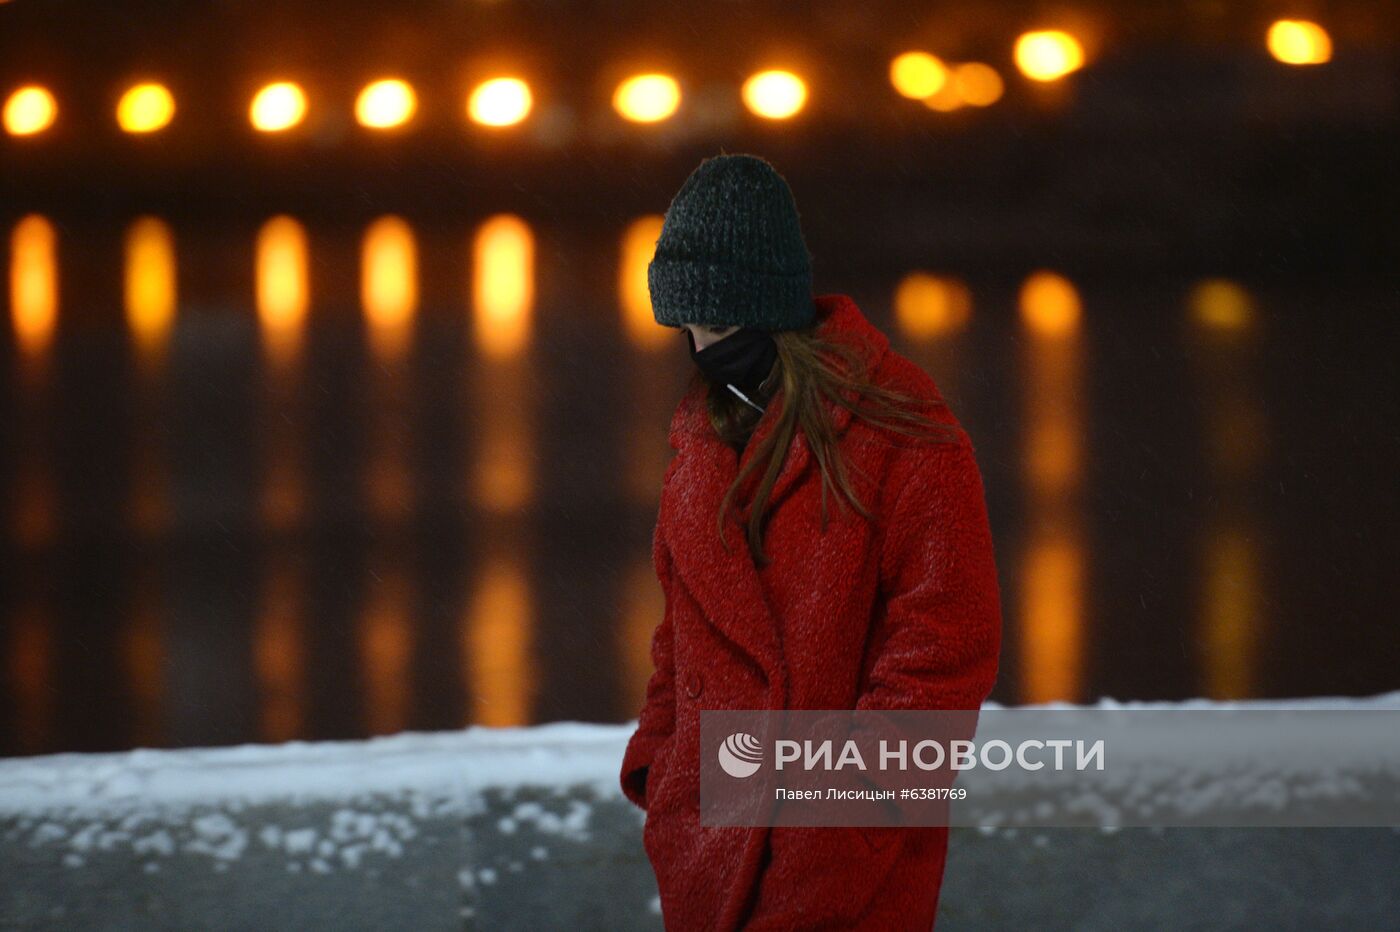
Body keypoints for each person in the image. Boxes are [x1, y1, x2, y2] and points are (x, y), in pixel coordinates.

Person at [620, 152, 1003, 930]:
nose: (699, 349)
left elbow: (938, 672)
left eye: (718, 325)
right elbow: (680, 642)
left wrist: (827, 846)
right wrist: (661, 773)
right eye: (684, 327)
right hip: (706, 862)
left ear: (771, 313)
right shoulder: (703, 440)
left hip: (849, 885)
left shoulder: (908, 438)